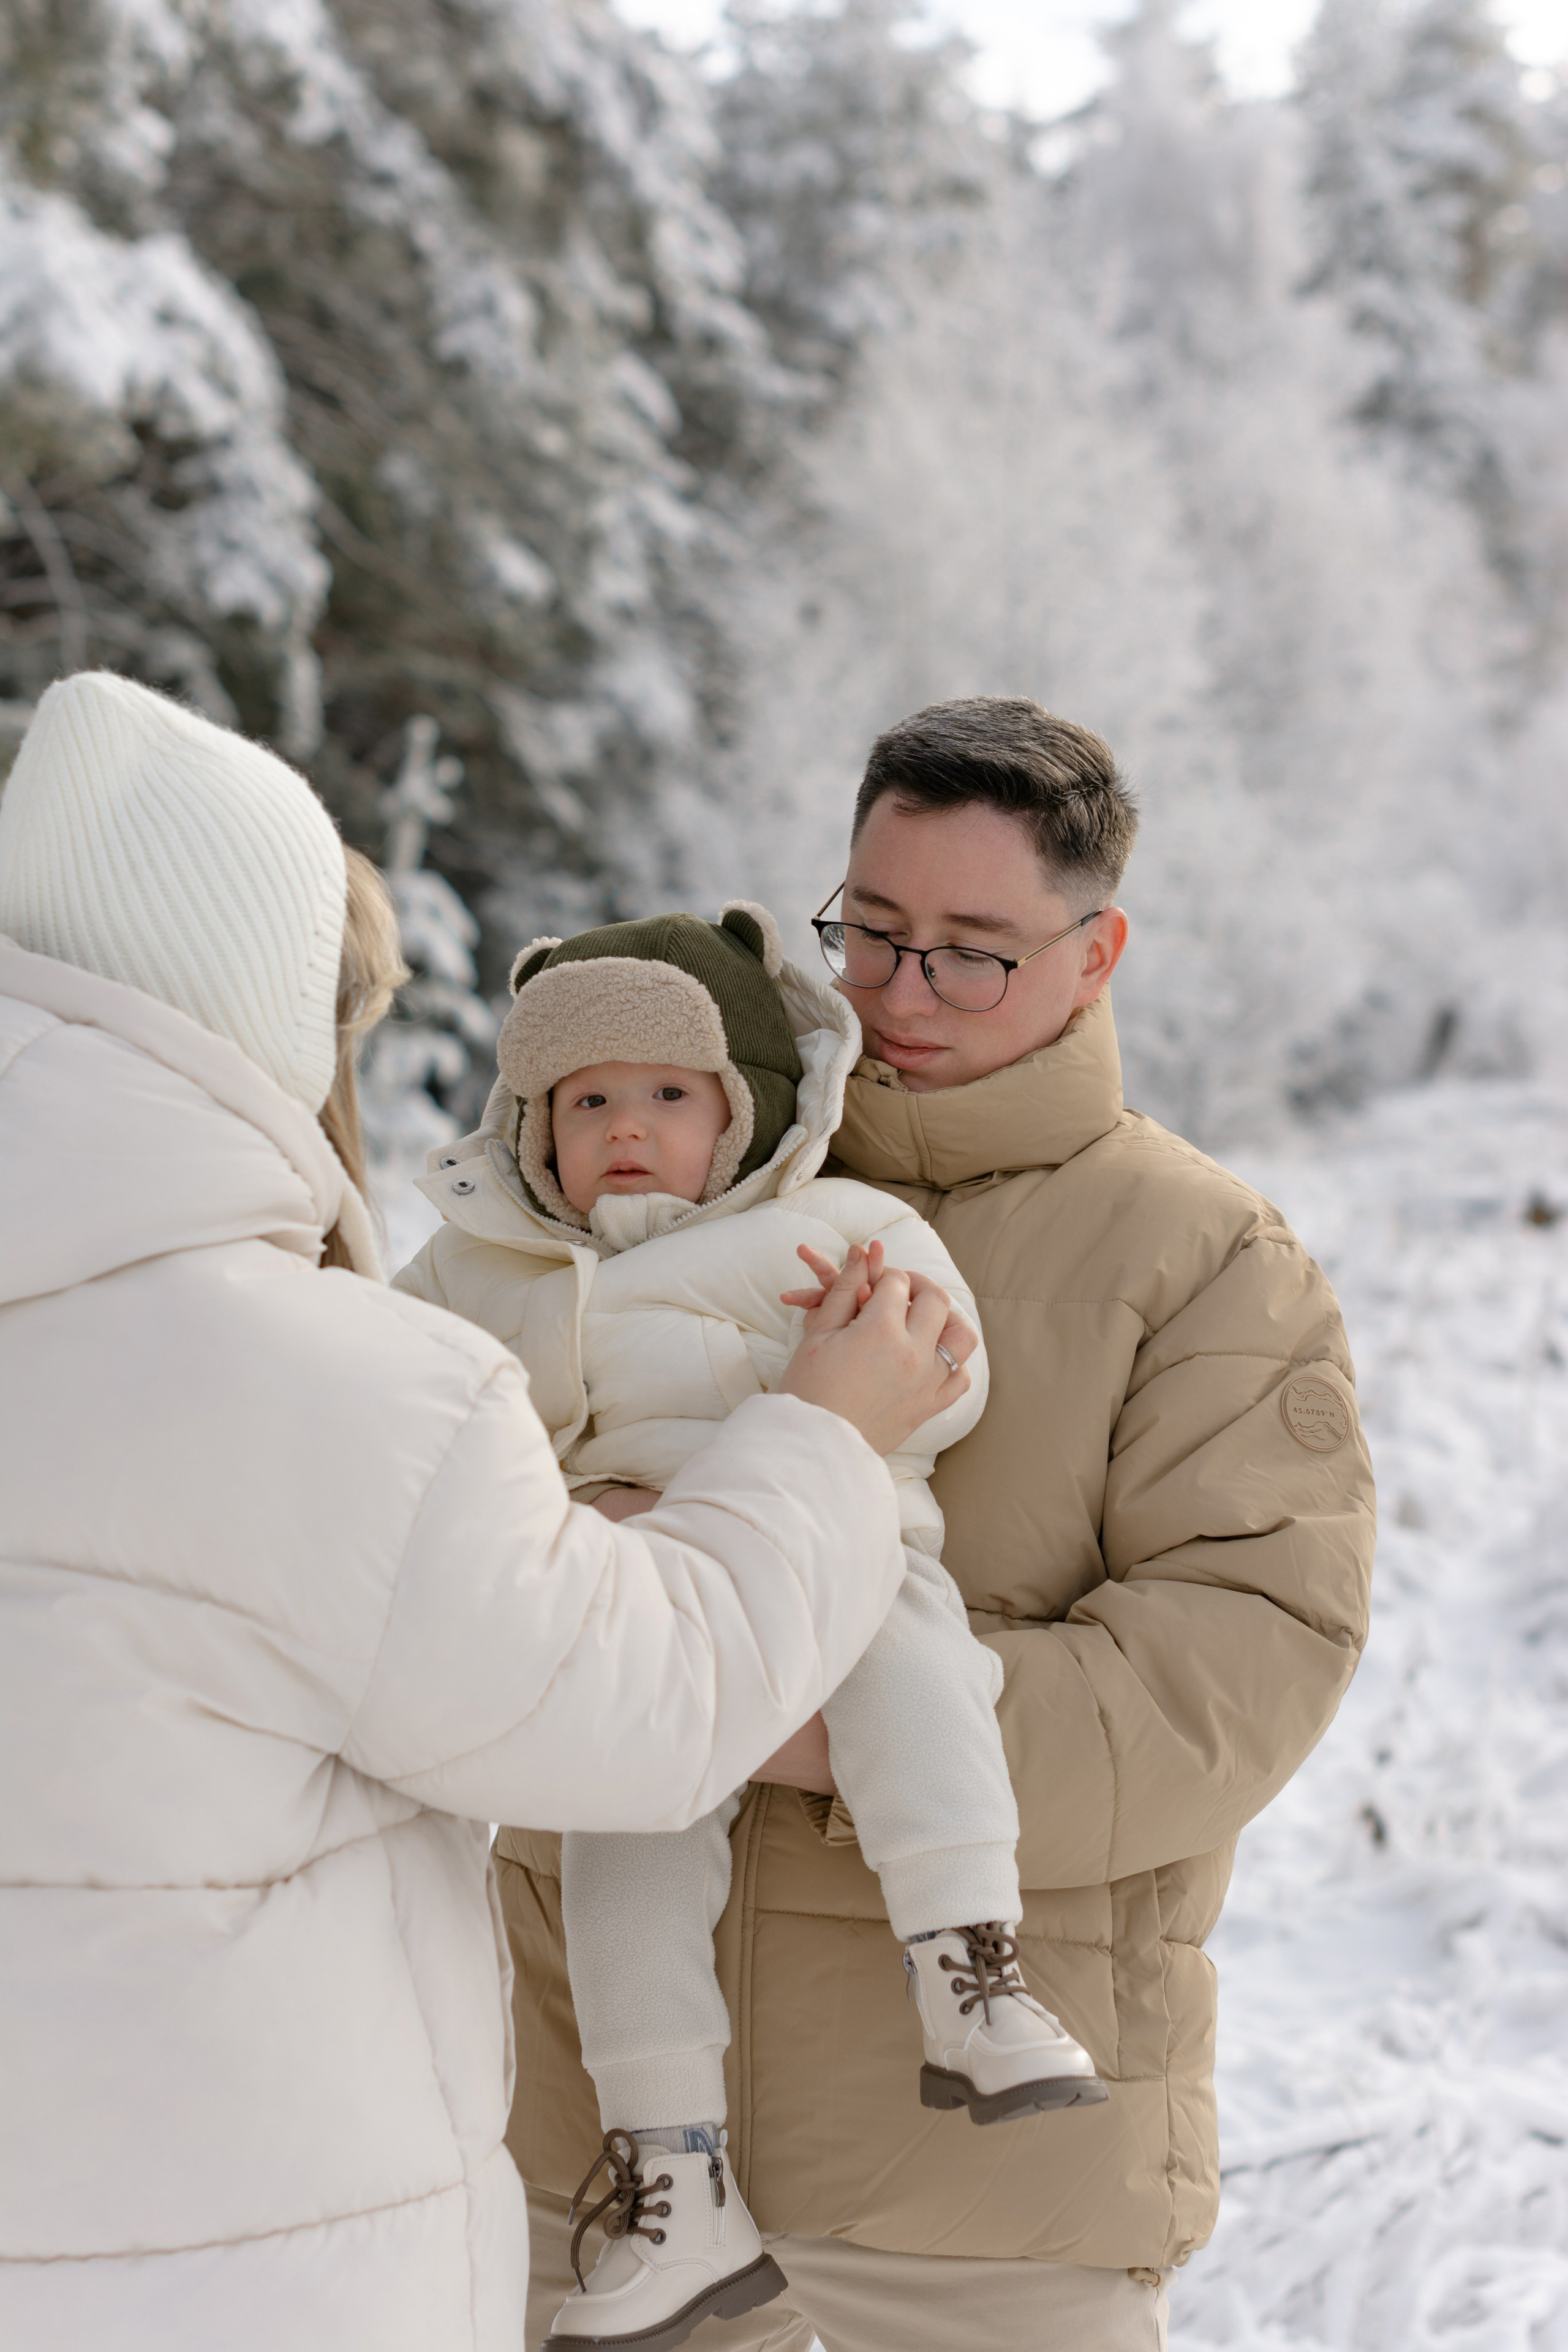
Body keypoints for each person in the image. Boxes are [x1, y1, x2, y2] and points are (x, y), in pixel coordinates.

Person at [0, 673, 973, 2352]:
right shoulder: (334, 1389)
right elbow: (639, 1708)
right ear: (260, 1016)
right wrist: (823, 1436)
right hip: (241, 2274)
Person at [499, 697, 1378, 2352]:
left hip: (987, 2208)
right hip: (599, 2165)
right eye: (872, 932)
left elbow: (1231, 1681)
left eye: (970, 953)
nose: (898, 995)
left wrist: (782, 1705)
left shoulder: (1203, 1262)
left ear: (1097, 949)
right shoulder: (620, 1195)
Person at [394, 905, 1104, 2351]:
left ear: (747, 1106)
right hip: (632, 1612)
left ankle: (969, 1967)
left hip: (839, 1551)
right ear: (533, 1129)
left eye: (668, 1093)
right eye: (587, 1103)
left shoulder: (830, 1225)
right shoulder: (484, 1271)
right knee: (624, 1850)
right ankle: (673, 2176)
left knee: (917, 1677)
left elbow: (947, 1376)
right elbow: (398, 1413)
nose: (628, 1129)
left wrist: (886, 1350)